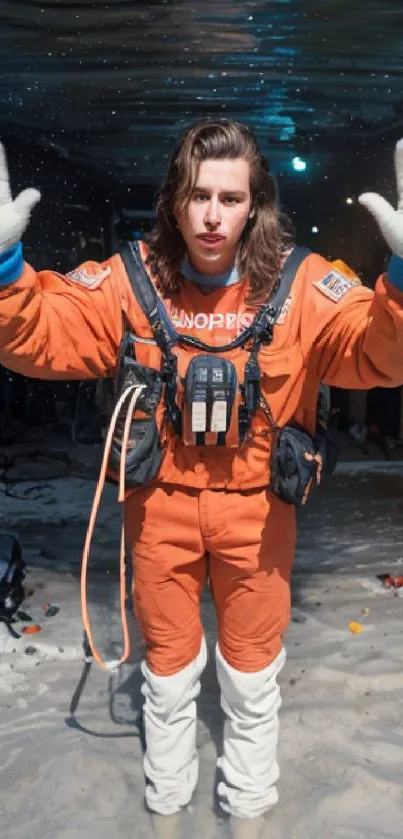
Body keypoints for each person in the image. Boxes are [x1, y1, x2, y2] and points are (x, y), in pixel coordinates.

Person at [1, 120, 403, 825]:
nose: (213, 216)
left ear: (255, 205)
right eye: (197, 196)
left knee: (251, 679)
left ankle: (248, 809)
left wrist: (401, 280)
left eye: (229, 197)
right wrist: (4, 267)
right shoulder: (128, 281)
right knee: (166, 673)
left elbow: (376, 352)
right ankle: (164, 805)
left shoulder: (304, 284)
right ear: (173, 201)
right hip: (157, 513)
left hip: (258, 518)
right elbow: (38, 333)